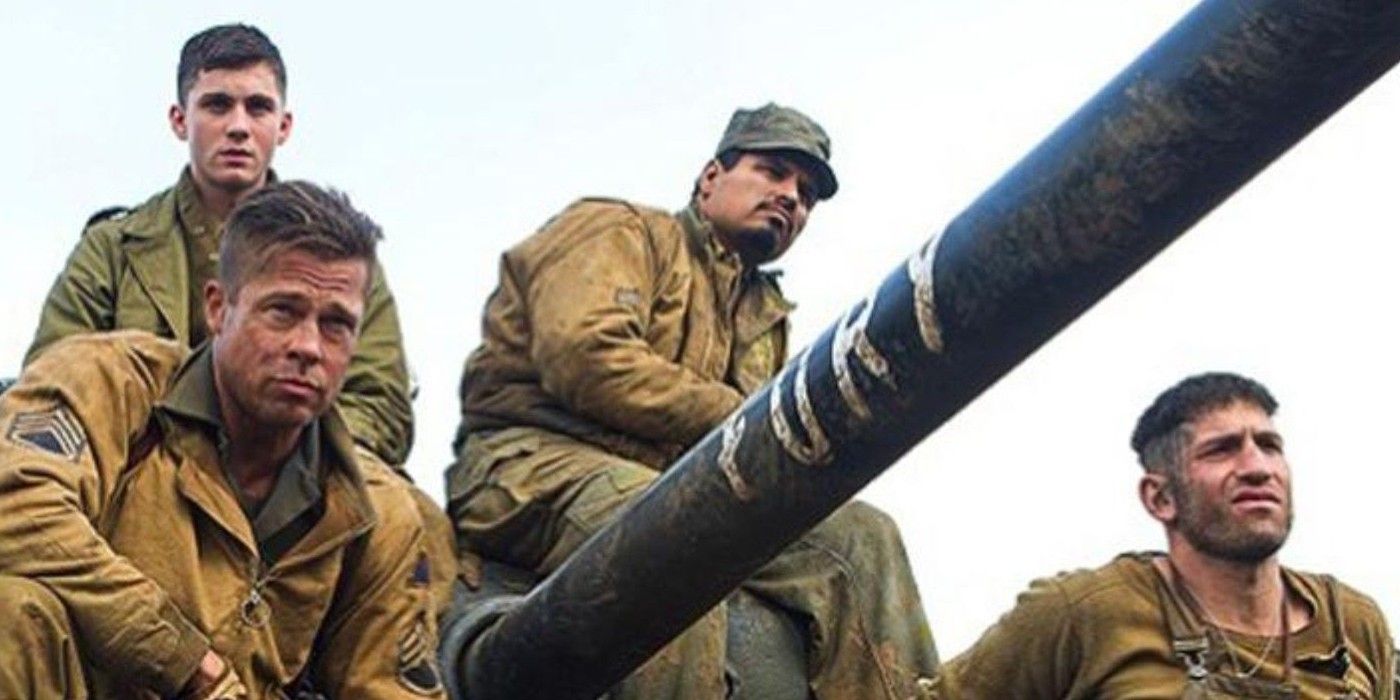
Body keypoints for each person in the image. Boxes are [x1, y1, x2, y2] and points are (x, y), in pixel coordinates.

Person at [446, 103, 939, 698]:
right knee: (680, 542)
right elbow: (587, 359)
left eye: (806, 193)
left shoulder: (763, 317)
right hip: (527, 463)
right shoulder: (620, 231)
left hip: (684, 487)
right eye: (772, 172)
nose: (791, 198)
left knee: (862, 539)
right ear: (711, 177)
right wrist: (746, 415)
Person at [0, 181, 445, 698]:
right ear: (218, 307)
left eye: (336, 325)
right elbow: (16, 506)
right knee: (13, 608)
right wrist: (188, 663)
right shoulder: (111, 385)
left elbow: (389, 686)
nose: (308, 347)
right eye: (283, 311)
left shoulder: (375, 515)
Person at [26, 23, 414, 468]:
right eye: (217, 105)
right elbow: (53, 387)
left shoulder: (338, 260)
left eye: (258, 108)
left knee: (410, 519)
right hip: (133, 484)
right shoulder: (112, 251)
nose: (238, 127)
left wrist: (274, 449)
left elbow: (381, 408)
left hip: (291, 498)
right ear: (179, 120)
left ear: (283, 126)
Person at [932, 372, 1397, 698]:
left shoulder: (1352, 624)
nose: (1257, 467)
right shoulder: (1085, 613)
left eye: (1269, 446)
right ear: (1160, 498)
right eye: (1221, 450)